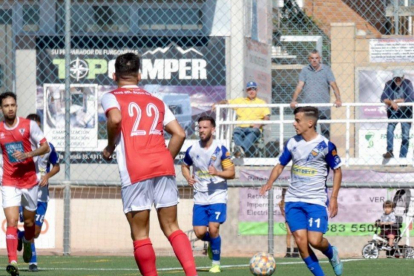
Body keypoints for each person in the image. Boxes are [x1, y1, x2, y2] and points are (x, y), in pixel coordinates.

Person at [101, 53, 197, 276]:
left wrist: (109, 147)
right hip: (163, 166)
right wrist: (164, 158)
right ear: (139, 75)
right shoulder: (157, 100)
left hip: (136, 169)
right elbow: (179, 134)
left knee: (141, 233)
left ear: (115, 75)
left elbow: (115, 119)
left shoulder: (111, 96)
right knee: (172, 227)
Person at [260, 106, 343, 276]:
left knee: (315, 240)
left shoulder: (326, 145)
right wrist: (269, 182)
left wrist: (333, 198)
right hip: (293, 200)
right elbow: (280, 165)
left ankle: (331, 252)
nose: (294, 123)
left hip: (316, 201)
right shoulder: (292, 143)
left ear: (310, 123)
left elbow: (338, 170)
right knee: (301, 242)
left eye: (297, 120)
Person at [0, 92, 50, 276]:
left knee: (29, 224)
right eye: (6, 106)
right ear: (1, 108)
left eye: (13, 105)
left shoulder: (28, 125)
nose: (10, 108)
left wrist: (28, 155)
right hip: (9, 180)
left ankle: (28, 242)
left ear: (16, 106)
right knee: (12, 221)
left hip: (29, 181)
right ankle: (12, 260)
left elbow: (46, 146)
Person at [181, 116, 235, 273]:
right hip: (200, 197)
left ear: (213, 129)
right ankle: (213, 242)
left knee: (213, 229)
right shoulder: (193, 149)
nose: (201, 130)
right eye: (200, 128)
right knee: (199, 233)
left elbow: (231, 173)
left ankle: (215, 264)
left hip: (217, 195)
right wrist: (188, 177)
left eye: (205, 127)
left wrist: (217, 172)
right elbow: (184, 166)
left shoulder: (221, 149)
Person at [17, 113, 60, 272]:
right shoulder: (20, 147)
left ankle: (19, 236)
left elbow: (56, 166)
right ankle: (32, 262)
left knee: (35, 232)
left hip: (42, 196)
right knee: (29, 225)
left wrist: (47, 176)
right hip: (25, 193)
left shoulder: (48, 147)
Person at [290, 50, 342, 139]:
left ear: (320, 59)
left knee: (325, 133)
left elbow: (333, 84)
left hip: (324, 107)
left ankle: (325, 152)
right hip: (309, 108)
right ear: (309, 59)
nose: (314, 60)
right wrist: (294, 100)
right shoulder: (305, 70)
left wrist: (338, 99)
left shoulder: (326, 70)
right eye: (312, 58)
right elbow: (300, 85)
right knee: (309, 132)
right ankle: (310, 151)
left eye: (316, 58)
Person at [213, 81, 270, 158]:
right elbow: (226, 102)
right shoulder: (240, 101)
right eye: (249, 89)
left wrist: (260, 124)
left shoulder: (262, 102)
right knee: (236, 132)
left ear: (257, 90)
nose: (251, 91)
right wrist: (217, 103)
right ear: (246, 91)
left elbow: (267, 117)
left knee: (253, 132)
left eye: (253, 89)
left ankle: (239, 150)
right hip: (240, 128)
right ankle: (240, 151)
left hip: (253, 128)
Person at [380, 69, 414, 159]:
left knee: (405, 136)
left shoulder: (408, 83)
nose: (398, 80)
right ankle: (389, 151)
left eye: (399, 78)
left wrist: (396, 101)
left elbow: (410, 98)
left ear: (403, 77)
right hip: (393, 112)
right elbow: (383, 98)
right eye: (396, 78)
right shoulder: (389, 83)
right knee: (390, 129)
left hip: (406, 112)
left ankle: (402, 158)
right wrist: (391, 102)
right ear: (393, 78)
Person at [279, 188, 299, 258]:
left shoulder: (292, 202)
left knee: (295, 234)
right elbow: (282, 212)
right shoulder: (281, 203)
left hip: (295, 219)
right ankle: (288, 251)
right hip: (288, 219)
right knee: (289, 234)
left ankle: (296, 251)